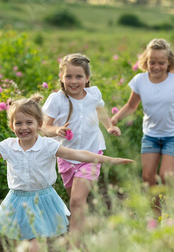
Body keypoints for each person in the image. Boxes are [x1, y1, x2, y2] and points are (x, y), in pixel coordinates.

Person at [0, 94, 133, 252]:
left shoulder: (48, 145)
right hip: (17, 201)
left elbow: (79, 155)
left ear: (39, 124)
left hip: (42, 200)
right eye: (18, 123)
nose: (23, 127)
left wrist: (108, 159)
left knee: (35, 249)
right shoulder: (8, 147)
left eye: (29, 123)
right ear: (12, 125)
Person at [110, 39, 174, 216]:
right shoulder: (139, 80)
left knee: (166, 175)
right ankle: (157, 213)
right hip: (151, 136)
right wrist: (116, 118)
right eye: (152, 62)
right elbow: (131, 106)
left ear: (169, 62)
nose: (156, 66)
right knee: (148, 177)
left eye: (161, 63)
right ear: (146, 61)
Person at [42, 53, 122, 240]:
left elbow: (100, 110)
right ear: (61, 78)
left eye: (78, 76)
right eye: (68, 76)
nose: (73, 81)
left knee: (77, 200)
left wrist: (109, 126)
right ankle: (84, 237)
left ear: (87, 78)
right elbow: (43, 127)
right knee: (76, 203)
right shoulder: (57, 100)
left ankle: (75, 246)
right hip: (66, 157)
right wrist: (56, 130)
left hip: (91, 154)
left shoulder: (94, 94)